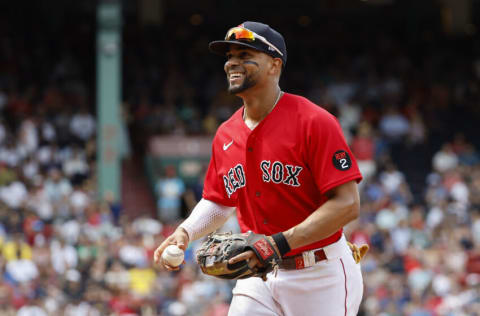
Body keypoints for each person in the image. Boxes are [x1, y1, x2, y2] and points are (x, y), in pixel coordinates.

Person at [154, 21, 364, 316]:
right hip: (259, 276)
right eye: (229, 56)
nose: (232, 63)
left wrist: (276, 244)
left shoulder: (314, 122)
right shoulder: (226, 134)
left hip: (320, 273)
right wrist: (186, 231)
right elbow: (219, 199)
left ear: (274, 65)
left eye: (244, 54)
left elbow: (347, 205)